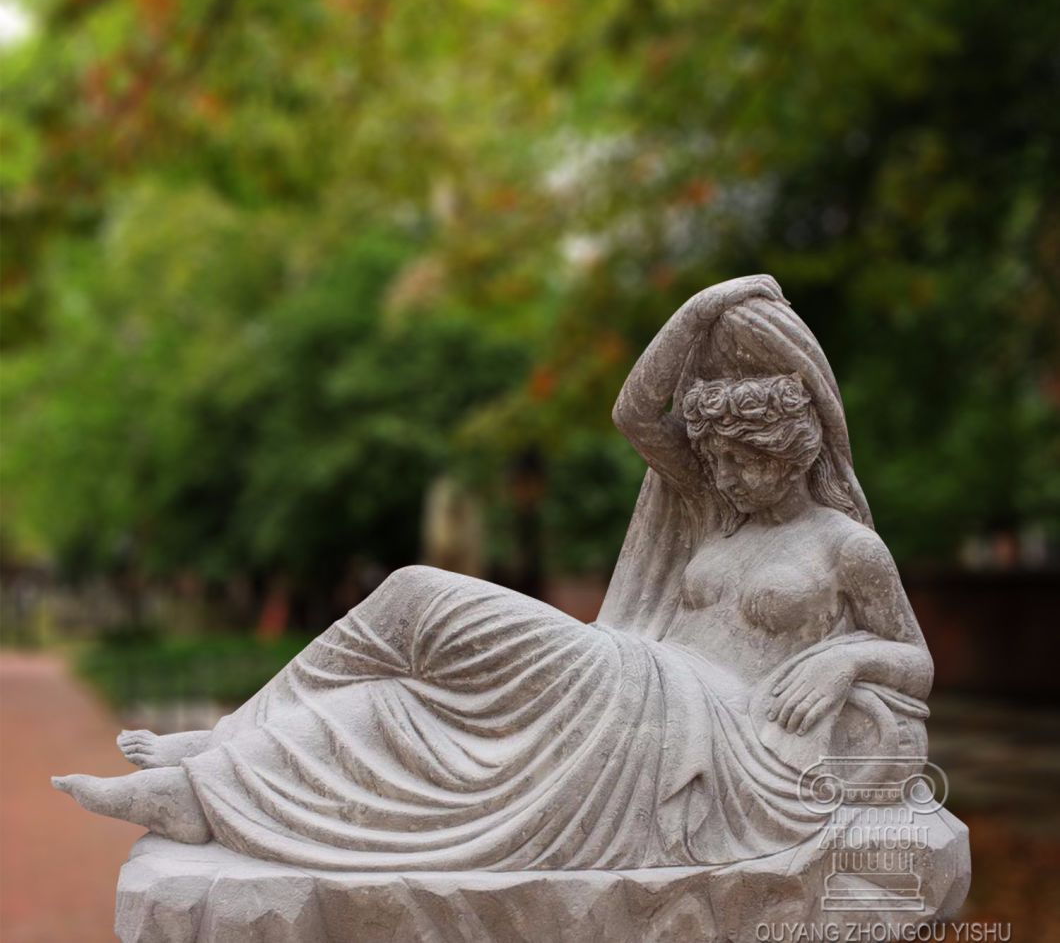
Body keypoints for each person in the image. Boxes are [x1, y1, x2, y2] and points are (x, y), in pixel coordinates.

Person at [54, 275, 933, 871]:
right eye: (718, 458)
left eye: (746, 458)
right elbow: (637, 412)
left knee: (419, 595)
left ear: (796, 445)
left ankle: (215, 767)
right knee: (410, 705)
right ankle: (213, 779)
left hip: (708, 730)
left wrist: (848, 659)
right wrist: (702, 312)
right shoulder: (716, 514)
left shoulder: (845, 546)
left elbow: (915, 661)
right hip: (639, 682)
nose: (726, 476)